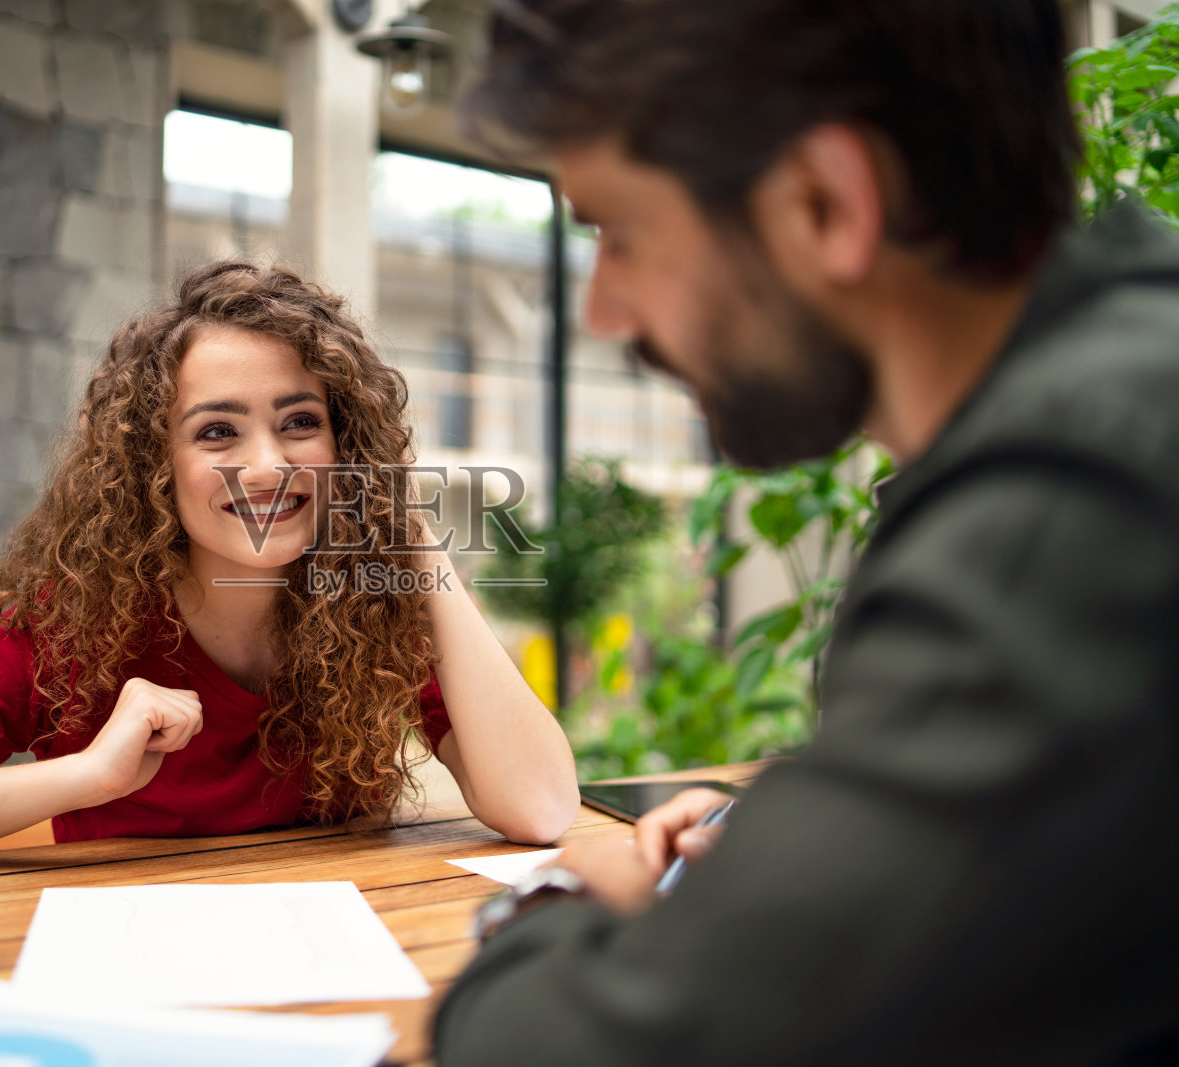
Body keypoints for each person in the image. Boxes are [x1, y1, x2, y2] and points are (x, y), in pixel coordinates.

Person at [434, 1, 1179, 1063]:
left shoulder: (1074, 499)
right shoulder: (1109, 384)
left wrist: (547, 907)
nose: (603, 311)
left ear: (826, 203)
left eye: (622, 235)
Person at [0, 262, 578, 872]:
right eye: (218, 432)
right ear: (155, 463)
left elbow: (540, 807)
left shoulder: (370, 612)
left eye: (299, 422)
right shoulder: (74, 631)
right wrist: (83, 777)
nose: (267, 466)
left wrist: (409, 533)